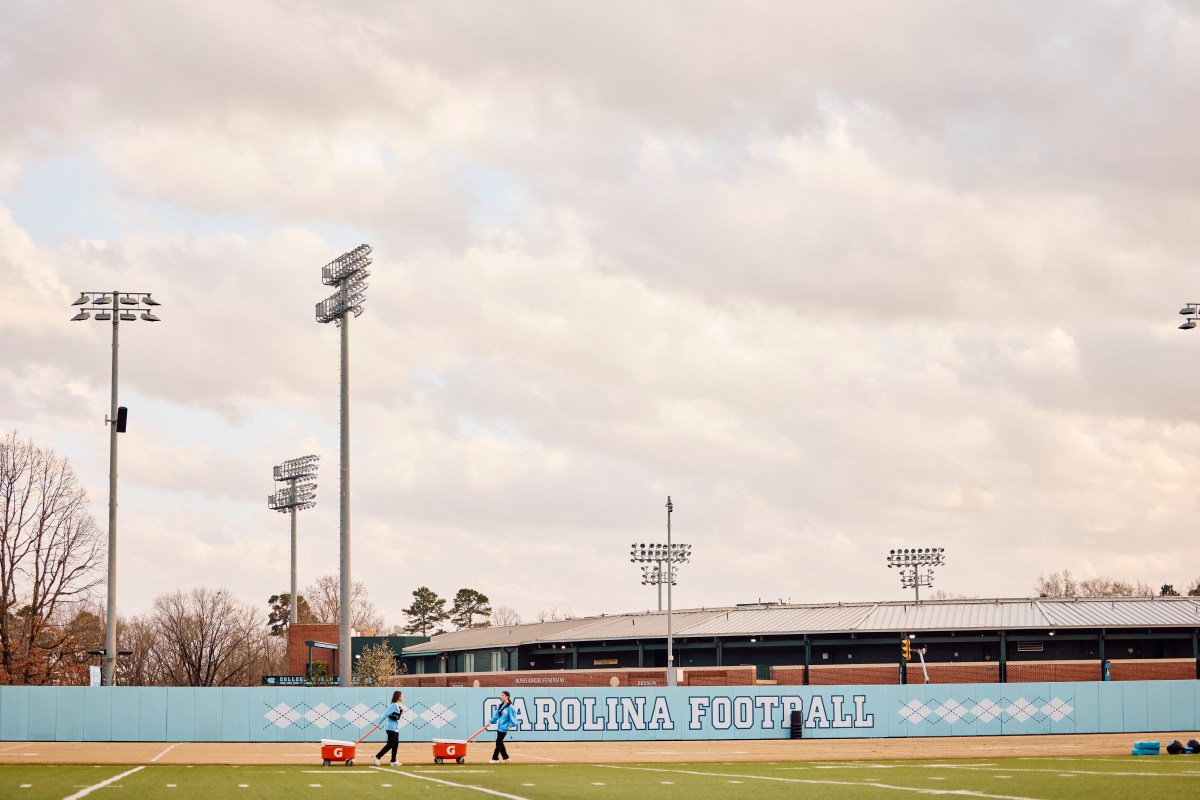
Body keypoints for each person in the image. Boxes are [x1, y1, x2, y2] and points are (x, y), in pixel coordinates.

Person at [373, 690, 404, 766]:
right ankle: (377, 757)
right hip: (391, 728)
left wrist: (400, 711)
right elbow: (386, 714)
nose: (402, 697)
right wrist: (379, 723)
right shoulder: (393, 705)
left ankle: (393, 760)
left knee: (395, 744)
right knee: (390, 744)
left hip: (395, 728)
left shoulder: (397, 706)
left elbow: (397, 717)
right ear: (399, 697)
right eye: (402, 696)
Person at [489, 690, 518, 764]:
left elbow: (513, 719)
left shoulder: (510, 707)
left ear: (507, 696)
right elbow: (496, 715)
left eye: (503, 695)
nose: (501, 697)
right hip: (499, 727)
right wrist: (490, 722)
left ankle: (495, 758)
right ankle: (506, 758)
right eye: (501, 695)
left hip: (504, 728)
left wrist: (510, 726)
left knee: (498, 742)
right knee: (500, 742)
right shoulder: (501, 706)